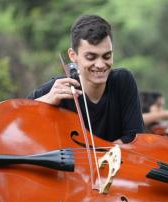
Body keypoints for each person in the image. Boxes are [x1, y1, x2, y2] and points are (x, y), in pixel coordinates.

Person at [27, 15, 144, 144]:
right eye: (91, 57)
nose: (100, 64)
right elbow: (15, 121)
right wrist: (43, 102)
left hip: (118, 164)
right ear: (73, 55)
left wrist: (100, 158)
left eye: (107, 56)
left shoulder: (123, 81)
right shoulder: (57, 89)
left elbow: (135, 138)